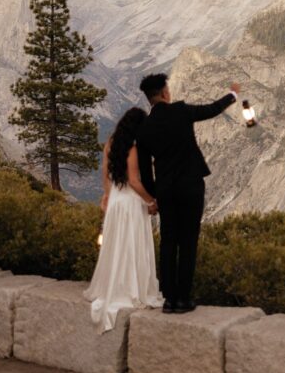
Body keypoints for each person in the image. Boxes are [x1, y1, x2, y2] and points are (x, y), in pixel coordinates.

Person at [136, 73, 240, 313]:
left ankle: (169, 299)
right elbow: (212, 109)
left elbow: (144, 171)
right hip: (190, 185)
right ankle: (184, 298)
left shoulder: (144, 129)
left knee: (169, 242)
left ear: (149, 98)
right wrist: (232, 94)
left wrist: (155, 196)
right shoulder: (181, 111)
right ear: (164, 93)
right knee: (188, 242)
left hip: (165, 190)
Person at [84, 107, 163, 333]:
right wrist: (151, 201)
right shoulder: (133, 149)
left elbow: (104, 176)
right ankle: (130, 287)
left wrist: (107, 196)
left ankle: (113, 283)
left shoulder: (110, 143)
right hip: (130, 203)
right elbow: (135, 182)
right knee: (131, 245)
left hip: (116, 201)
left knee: (116, 244)